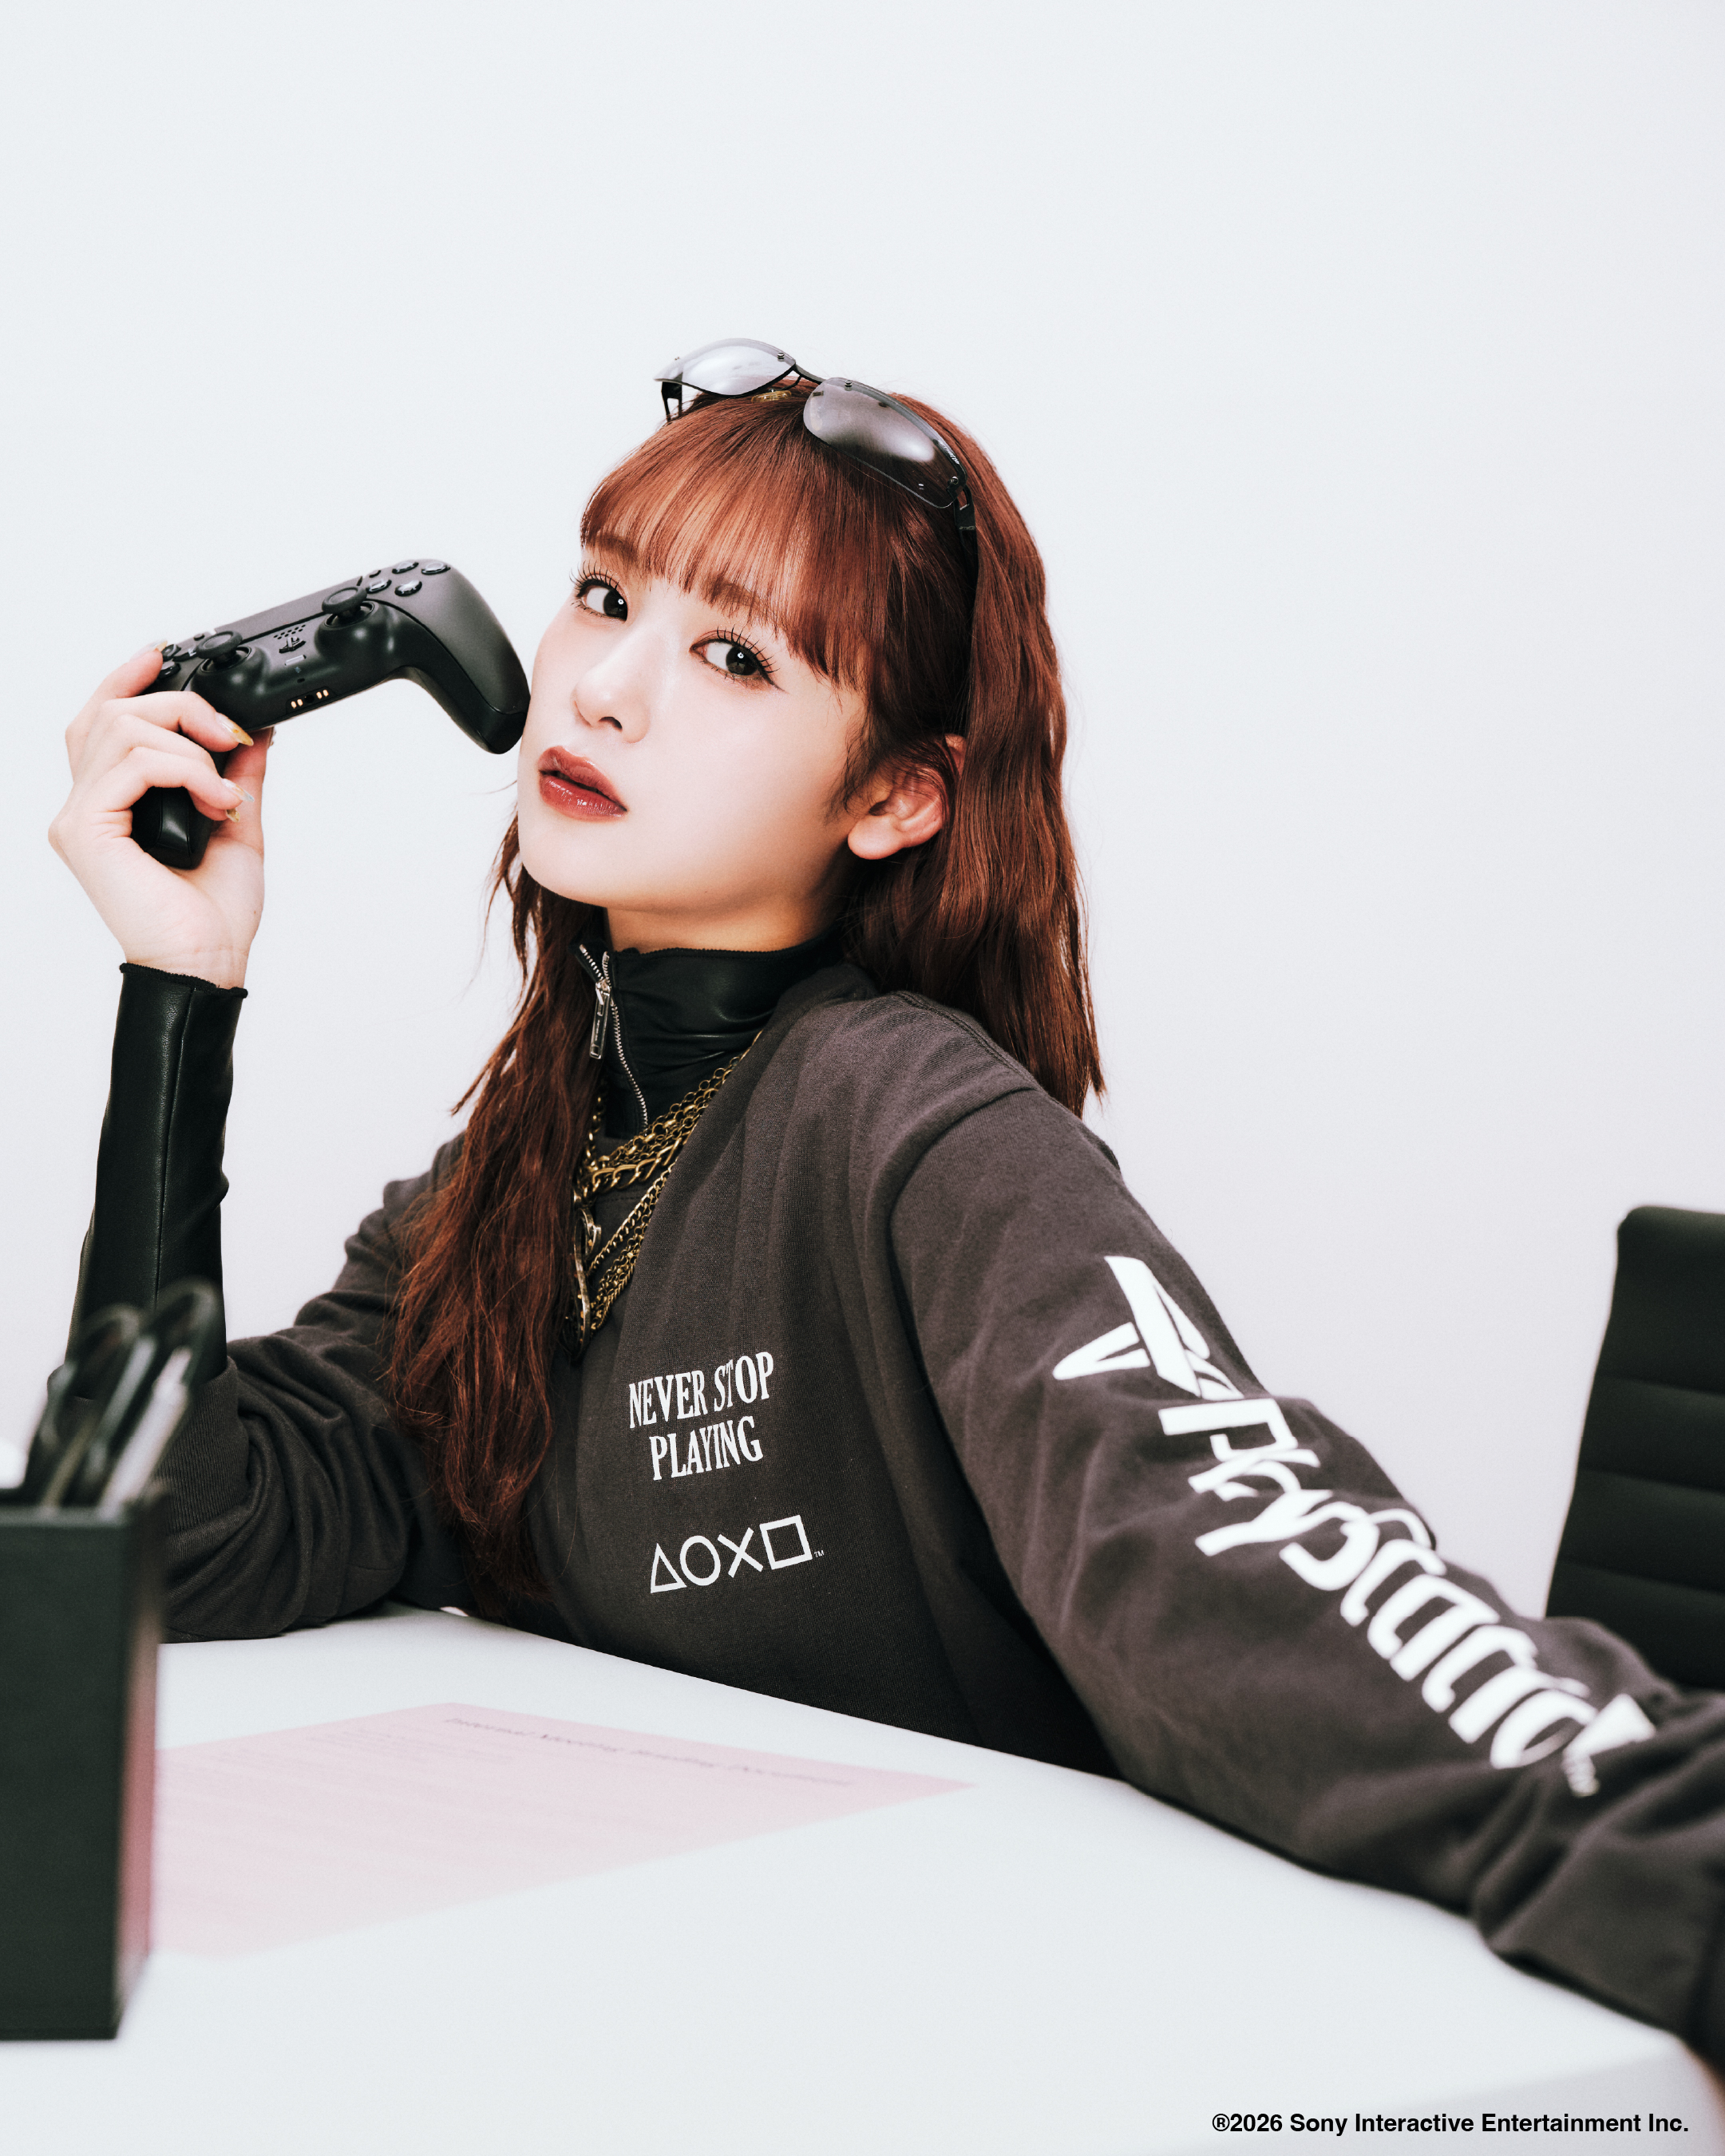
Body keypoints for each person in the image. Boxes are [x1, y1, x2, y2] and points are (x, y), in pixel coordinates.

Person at [49, 342, 1725, 2063]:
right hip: (689, 2035)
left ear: (893, 795)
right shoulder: (518, 1180)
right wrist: (179, 986)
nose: (605, 688)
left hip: (1031, 2051)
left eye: (734, 656)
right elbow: (177, 1540)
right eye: (603, 596)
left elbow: (1227, 1566)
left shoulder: (921, 1130)